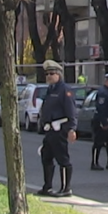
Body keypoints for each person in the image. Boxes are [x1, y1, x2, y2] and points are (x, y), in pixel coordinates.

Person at [37, 60, 77, 197]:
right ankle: (47, 186)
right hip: (50, 130)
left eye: (52, 73)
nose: (49, 76)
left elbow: (71, 110)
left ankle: (66, 188)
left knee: (62, 159)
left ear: (59, 74)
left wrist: (71, 129)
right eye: (47, 73)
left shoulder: (64, 90)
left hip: (60, 129)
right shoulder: (51, 89)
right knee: (46, 157)